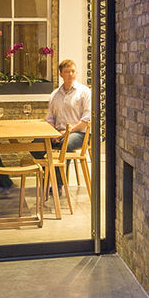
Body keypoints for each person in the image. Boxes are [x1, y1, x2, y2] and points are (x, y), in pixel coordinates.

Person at [45, 59, 91, 197]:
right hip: (58, 133)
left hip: (80, 133)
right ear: (61, 74)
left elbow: (86, 119)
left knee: (65, 144)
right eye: (67, 72)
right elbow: (50, 118)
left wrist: (66, 133)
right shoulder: (55, 94)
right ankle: (48, 175)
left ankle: (58, 184)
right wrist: (53, 133)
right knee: (35, 144)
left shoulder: (84, 92)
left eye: (73, 71)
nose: (71, 74)